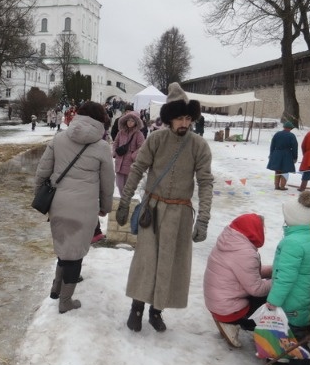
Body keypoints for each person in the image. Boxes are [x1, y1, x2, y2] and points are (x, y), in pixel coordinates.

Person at [115, 82, 214, 333]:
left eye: (187, 118)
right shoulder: (156, 139)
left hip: (180, 214)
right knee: (146, 260)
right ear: (170, 119)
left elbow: (205, 182)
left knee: (171, 263)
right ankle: (137, 308)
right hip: (153, 211)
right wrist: (125, 201)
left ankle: (156, 310)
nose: (184, 123)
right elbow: (137, 170)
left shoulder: (199, 146)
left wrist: (203, 219)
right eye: (179, 118)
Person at [34, 101, 115, 314]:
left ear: (78, 115)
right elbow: (108, 182)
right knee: (75, 252)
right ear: (101, 120)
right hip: (85, 208)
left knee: (64, 246)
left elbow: (42, 171)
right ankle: (65, 301)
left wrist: (40, 197)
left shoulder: (59, 138)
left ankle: (56, 288)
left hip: (58, 203)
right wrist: (105, 206)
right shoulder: (102, 147)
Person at [266, 190, 310, 365]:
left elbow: (286, 277)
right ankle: (287, 356)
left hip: (292, 299)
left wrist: (274, 299)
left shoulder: (293, 243)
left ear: (293, 219)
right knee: (288, 329)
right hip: (300, 296)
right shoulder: (307, 237)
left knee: (296, 334)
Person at [203, 214, 272, 348]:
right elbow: (256, 289)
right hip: (229, 310)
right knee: (274, 298)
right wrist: (279, 281)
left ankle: (228, 321)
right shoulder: (245, 253)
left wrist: (273, 270)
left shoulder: (230, 242)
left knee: (268, 286)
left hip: (217, 303)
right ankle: (236, 323)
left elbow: (247, 272)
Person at [111, 111, 146, 194]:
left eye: (132, 121)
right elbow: (116, 142)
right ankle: (123, 198)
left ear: (136, 122)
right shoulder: (121, 132)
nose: (130, 123)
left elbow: (142, 147)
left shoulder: (139, 134)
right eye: (128, 120)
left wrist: (133, 156)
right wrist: (115, 152)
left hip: (130, 163)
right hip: (119, 161)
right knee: (119, 184)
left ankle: (124, 201)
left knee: (127, 185)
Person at [267, 121, 298, 191]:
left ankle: (276, 186)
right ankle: (282, 186)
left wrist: (271, 154)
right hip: (287, 155)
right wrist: (295, 157)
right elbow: (295, 147)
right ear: (290, 128)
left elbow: (272, 145)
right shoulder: (291, 136)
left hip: (277, 153)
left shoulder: (277, 134)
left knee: (277, 170)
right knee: (285, 171)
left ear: (284, 127)